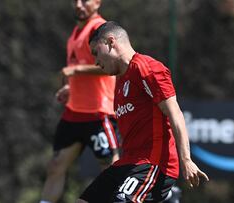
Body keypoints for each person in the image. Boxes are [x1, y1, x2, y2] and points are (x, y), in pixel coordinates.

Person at [76, 21, 209, 203]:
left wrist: (186, 159)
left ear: (111, 41)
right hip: (127, 163)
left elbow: (175, 113)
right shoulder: (121, 81)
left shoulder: (147, 68)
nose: (96, 61)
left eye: (96, 53)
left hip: (153, 163)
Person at [39, 1, 120, 203]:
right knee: (56, 166)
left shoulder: (100, 29)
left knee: (110, 169)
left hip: (98, 112)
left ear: (98, 2)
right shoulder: (77, 31)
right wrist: (70, 88)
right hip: (74, 112)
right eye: (75, 1)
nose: (78, 5)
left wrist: (76, 71)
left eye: (85, 0)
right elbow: (78, 69)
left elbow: (110, 65)